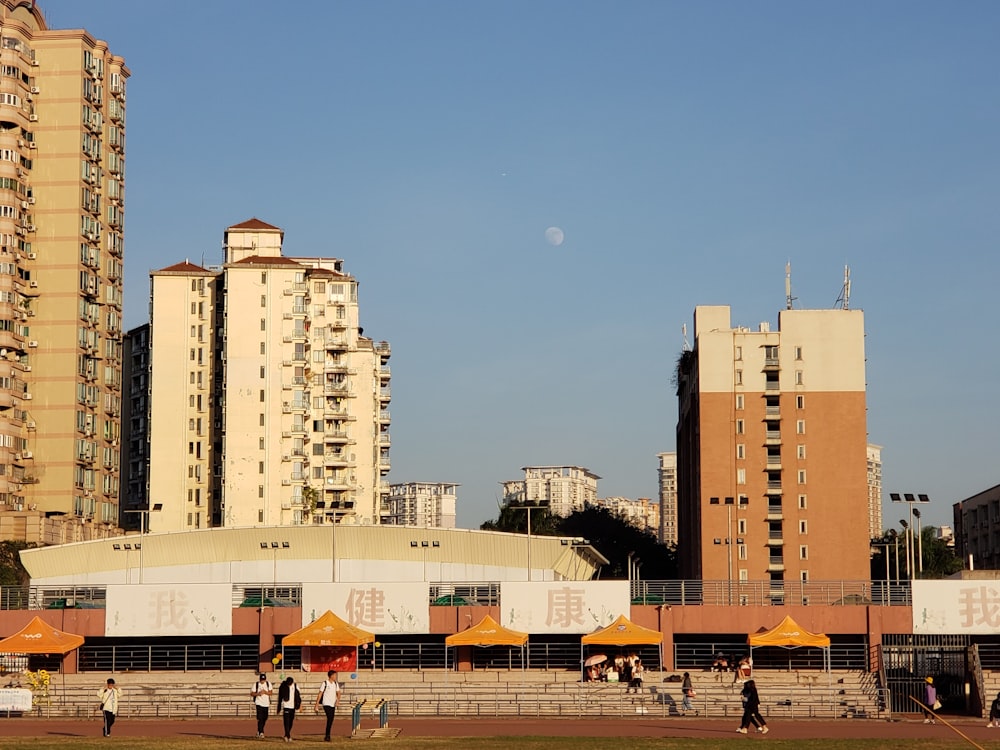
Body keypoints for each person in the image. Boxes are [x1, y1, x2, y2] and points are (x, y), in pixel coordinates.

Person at [314, 669, 342, 742]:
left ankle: (327, 735)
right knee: (330, 718)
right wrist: (316, 704)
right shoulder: (325, 683)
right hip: (326, 703)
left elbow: (338, 693)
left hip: (333, 704)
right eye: (335, 675)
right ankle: (327, 735)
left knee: (331, 719)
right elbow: (320, 693)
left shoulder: (335, 684)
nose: (336, 676)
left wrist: (337, 701)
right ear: (331, 676)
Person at [277, 676, 302, 742]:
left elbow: (298, 696)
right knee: (286, 722)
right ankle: (288, 736)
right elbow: (279, 697)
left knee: (291, 722)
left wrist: (300, 706)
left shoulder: (296, 686)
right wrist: (279, 707)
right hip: (286, 706)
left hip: (293, 706)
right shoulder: (283, 686)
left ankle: (286, 734)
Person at [251, 672, 273, 738]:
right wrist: (258, 694)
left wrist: (265, 692)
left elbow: (271, 693)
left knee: (265, 718)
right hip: (259, 703)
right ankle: (261, 732)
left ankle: (259, 730)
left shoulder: (268, 684)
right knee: (260, 718)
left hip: (266, 703)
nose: (262, 681)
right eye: (261, 680)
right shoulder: (256, 684)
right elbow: (252, 693)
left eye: (264, 680)